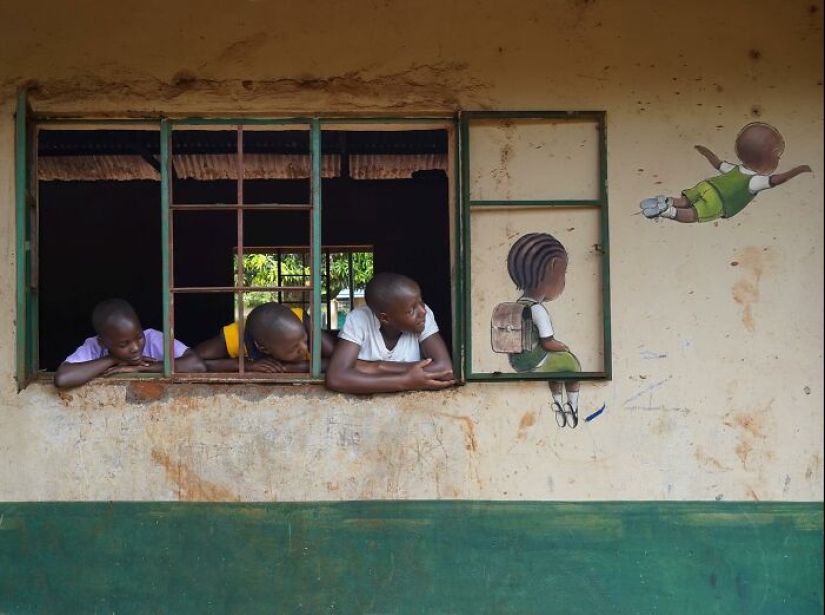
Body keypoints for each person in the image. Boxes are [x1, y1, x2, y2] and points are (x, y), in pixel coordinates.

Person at [640, 122, 812, 223]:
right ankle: (666, 211)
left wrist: (705, 151)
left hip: (706, 185)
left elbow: (717, 163)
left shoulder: (734, 168)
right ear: (767, 160)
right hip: (718, 200)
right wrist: (796, 171)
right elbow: (776, 180)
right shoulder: (755, 181)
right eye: (777, 155)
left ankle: (665, 200)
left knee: (686, 200)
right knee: (693, 214)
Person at [325, 272, 455, 394]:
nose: (423, 311)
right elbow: (337, 377)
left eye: (421, 300)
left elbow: (444, 369)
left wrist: (374, 367)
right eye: (411, 310)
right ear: (385, 318)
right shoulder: (359, 320)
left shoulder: (423, 317)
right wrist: (405, 381)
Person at [506, 232, 581, 428]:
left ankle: (557, 403)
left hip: (518, 362)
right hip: (535, 362)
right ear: (553, 266)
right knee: (570, 364)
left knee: (555, 369)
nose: (563, 282)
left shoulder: (518, 305)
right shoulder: (537, 309)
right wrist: (563, 347)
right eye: (563, 274)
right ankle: (572, 405)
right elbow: (548, 342)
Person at [54, 298, 206, 389]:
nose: (135, 347)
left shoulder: (153, 339)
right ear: (103, 343)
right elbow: (62, 379)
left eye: (138, 336)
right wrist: (113, 360)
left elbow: (197, 365)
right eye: (123, 345)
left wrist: (144, 368)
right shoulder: (94, 346)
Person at [193, 302, 336, 373]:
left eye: (305, 340)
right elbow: (191, 361)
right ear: (262, 348)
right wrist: (246, 366)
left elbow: (338, 361)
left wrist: (288, 368)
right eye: (293, 348)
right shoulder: (236, 335)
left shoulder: (301, 321)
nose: (304, 349)